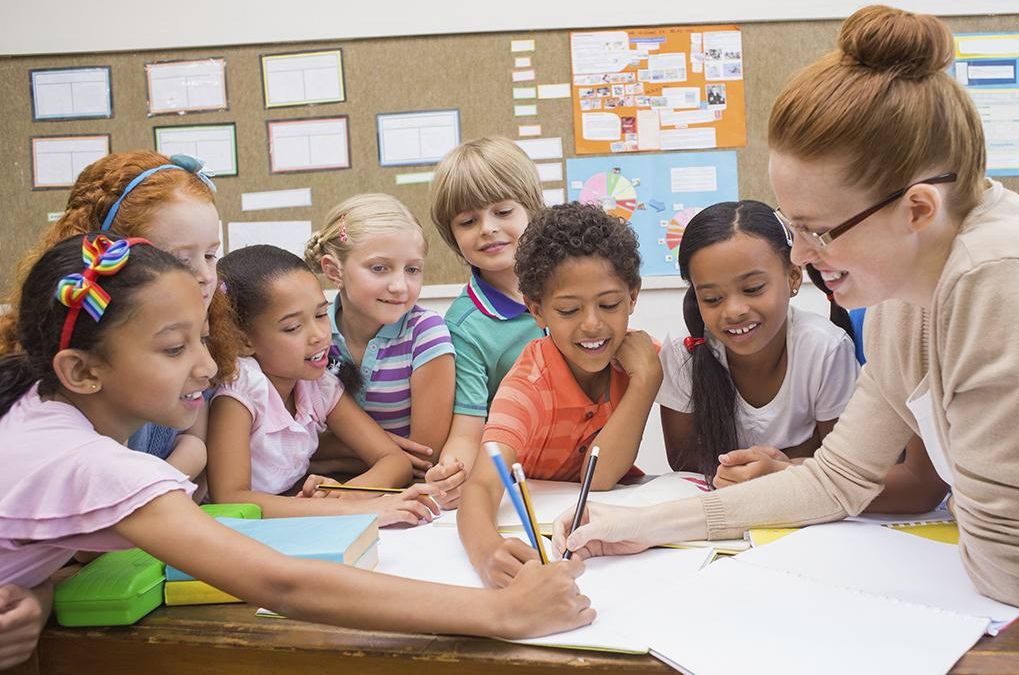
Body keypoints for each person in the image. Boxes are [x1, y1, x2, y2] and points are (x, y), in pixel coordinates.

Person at [552, 6, 1019, 673]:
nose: (800, 255)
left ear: (918, 207)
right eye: (793, 226)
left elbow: (1016, 574)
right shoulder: (906, 288)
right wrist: (645, 525)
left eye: (819, 231)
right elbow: (837, 478)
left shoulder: (1003, 282)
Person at [0, 234, 594, 665]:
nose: (209, 367)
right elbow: (283, 585)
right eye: (174, 349)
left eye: (204, 340)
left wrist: (36, 592)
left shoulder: (41, 420)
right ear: (81, 371)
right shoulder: (90, 461)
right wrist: (504, 614)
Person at [659, 200, 947, 512]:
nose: (734, 310)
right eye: (712, 298)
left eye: (754, 288)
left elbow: (857, 465)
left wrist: (784, 470)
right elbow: (684, 462)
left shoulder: (827, 347)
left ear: (794, 277)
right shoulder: (686, 350)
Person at [0, 151, 239, 481]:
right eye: (180, 260)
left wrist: (165, 480)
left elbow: (194, 437)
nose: (205, 275)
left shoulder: (198, 324)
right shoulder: (71, 389)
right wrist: (153, 493)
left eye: (211, 255)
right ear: (110, 258)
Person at [459, 203, 660, 588]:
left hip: (609, 543)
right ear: (537, 311)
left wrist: (645, 378)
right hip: (548, 545)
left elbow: (599, 481)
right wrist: (486, 551)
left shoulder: (640, 362)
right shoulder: (529, 384)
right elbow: (482, 484)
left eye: (609, 304)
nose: (592, 324)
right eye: (568, 310)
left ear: (632, 296)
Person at [205, 245, 430, 522]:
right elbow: (230, 499)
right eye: (292, 328)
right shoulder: (241, 390)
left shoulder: (318, 383)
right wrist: (349, 510)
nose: (319, 336)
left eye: (321, 315)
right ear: (243, 341)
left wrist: (347, 495)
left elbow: (393, 460)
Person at [422, 137, 548, 508]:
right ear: (453, 235)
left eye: (503, 211)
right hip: (524, 480)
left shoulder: (571, 289)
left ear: (531, 209)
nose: (487, 228)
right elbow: (468, 425)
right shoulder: (464, 326)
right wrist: (454, 468)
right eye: (468, 220)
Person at [304, 193, 455, 479]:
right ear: (333, 271)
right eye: (379, 268)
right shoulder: (311, 334)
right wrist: (383, 452)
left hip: (402, 496)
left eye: (412, 269)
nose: (399, 286)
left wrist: (332, 455)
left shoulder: (426, 333)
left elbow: (423, 458)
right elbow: (294, 449)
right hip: (313, 492)